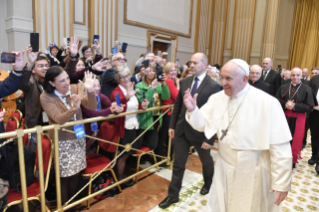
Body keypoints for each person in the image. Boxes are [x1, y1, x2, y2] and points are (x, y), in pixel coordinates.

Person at [184, 58, 293, 212]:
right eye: (222, 77)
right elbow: (202, 124)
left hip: (252, 168)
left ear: (245, 79)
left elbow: (280, 146)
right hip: (223, 164)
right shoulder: (218, 98)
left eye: (229, 78)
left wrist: (281, 182)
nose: (223, 82)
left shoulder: (267, 102)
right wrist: (192, 111)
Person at [159, 53, 221, 209]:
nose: (191, 65)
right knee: (178, 164)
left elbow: (215, 116)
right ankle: (173, 195)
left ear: (205, 64)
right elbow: (178, 106)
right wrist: (172, 126)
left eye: (195, 62)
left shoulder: (214, 86)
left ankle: (208, 182)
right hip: (181, 131)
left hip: (201, 134)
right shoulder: (185, 81)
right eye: (191, 62)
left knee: (206, 162)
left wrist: (210, 139)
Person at [40, 67, 97, 206]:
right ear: (52, 83)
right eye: (61, 81)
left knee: (76, 172)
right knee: (64, 176)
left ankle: (74, 202)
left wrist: (90, 91)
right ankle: (64, 206)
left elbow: (92, 106)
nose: (66, 82)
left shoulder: (75, 88)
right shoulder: (46, 96)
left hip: (78, 138)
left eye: (67, 78)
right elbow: (58, 119)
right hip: (62, 141)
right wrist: (73, 109)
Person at [110, 65, 149, 188]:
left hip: (134, 126)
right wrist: (127, 96)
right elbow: (118, 106)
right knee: (122, 155)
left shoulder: (131, 89)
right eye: (122, 77)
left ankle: (122, 177)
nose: (126, 78)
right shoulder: (116, 92)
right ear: (118, 79)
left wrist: (143, 106)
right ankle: (120, 181)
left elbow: (135, 106)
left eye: (127, 75)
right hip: (124, 128)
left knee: (127, 155)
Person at [276, 67, 315, 168]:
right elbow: (276, 101)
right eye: (293, 75)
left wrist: (294, 106)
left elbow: (309, 106)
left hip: (298, 118)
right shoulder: (283, 87)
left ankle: (292, 160)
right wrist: (285, 104)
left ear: (301, 76)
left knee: (294, 139)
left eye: (298, 75)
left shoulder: (307, 89)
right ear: (290, 76)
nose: (295, 77)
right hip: (284, 118)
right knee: (282, 138)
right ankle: (280, 158)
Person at [81, 76, 123, 153]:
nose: (97, 88)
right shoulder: (82, 97)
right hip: (82, 132)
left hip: (93, 132)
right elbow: (92, 114)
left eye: (98, 85)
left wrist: (116, 109)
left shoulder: (99, 95)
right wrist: (110, 110)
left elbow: (110, 105)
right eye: (94, 86)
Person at [135, 64, 170, 152]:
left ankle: (146, 156)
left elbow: (166, 97)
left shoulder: (158, 85)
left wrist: (164, 84)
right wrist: (152, 88)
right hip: (145, 118)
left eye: (153, 70)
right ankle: (135, 160)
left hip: (156, 117)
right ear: (145, 72)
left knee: (153, 144)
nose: (152, 73)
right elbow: (144, 101)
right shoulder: (139, 85)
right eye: (149, 70)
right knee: (137, 144)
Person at [157, 62, 180, 162]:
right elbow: (176, 97)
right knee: (165, 136)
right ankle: (163, 158)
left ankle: (166, 156)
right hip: (168, 111)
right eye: (171, 70)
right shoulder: (169, 81)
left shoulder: (170, 80)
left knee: (166, 136)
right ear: (166, 72)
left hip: (168, 110)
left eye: (175, 70)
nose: (174, 72)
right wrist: (178, 85)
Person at [307, 73, 319, 171]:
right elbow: (309, 93)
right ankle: (314, 155)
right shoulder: (315, 79)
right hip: (315, 112)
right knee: (314, 135)